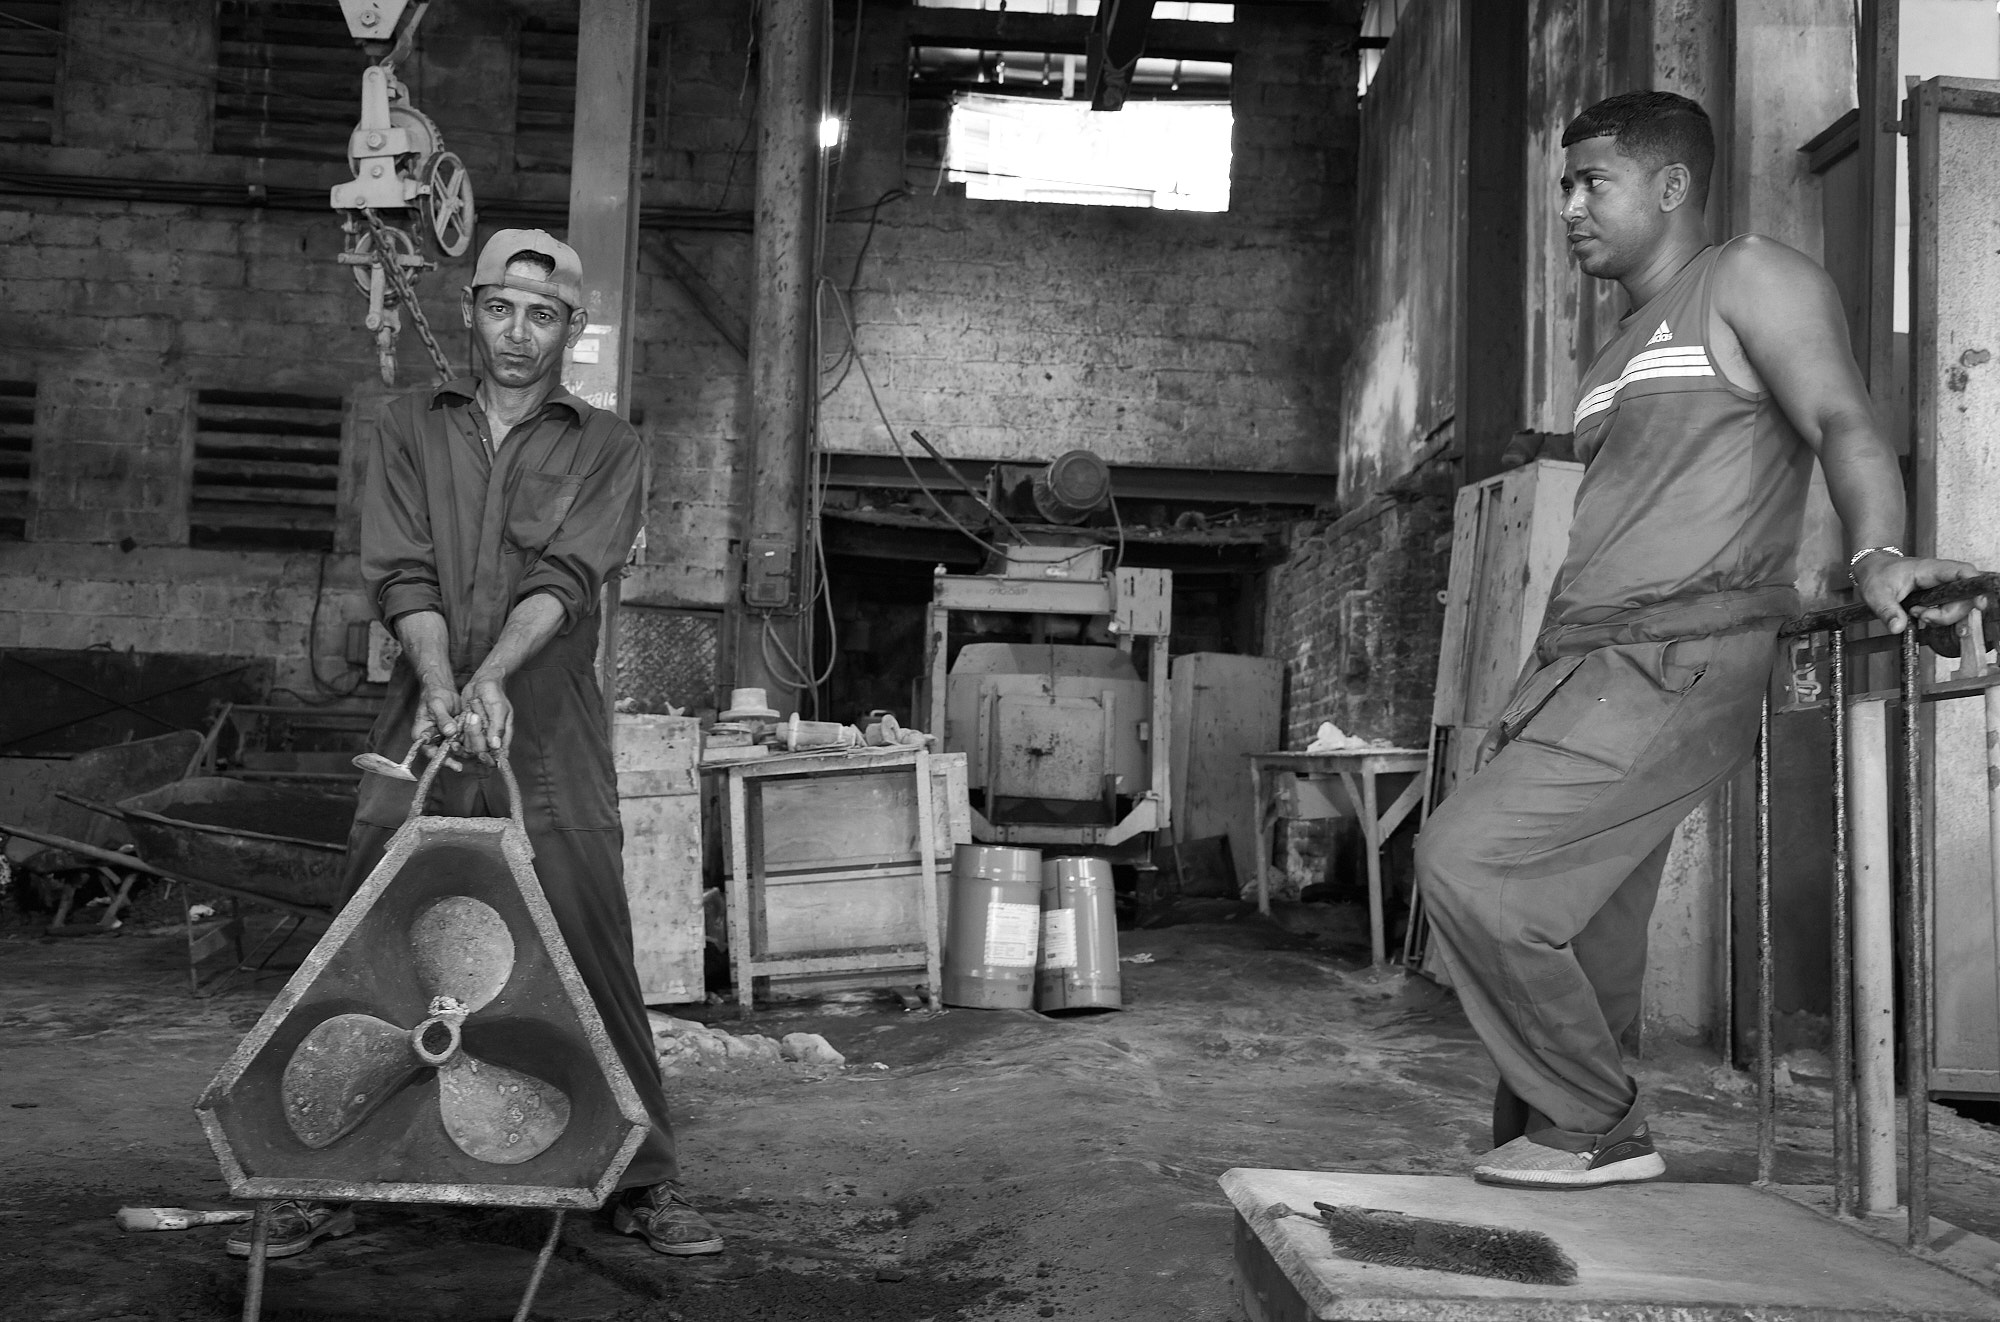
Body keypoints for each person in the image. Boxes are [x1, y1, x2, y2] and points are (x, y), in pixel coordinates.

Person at [1415, 92, 1984, 1189]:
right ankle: (1562, 1165)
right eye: (1564, 185)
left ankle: (1596, 1122)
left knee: (1466, 862)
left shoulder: (1746, 277)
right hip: (1581, 664)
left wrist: (1876, 553)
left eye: (1594, 182)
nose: (1570, 207)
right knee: (1583, 927)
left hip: (1675, 657)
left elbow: (1841, 419)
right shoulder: (1611, 354)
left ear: (1671, 185)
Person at [228, 229, 723, 1258]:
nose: (518, 332)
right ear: (472, 310)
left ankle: (640, 1177)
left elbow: (569, 575)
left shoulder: (609, 446)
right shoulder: (407, 426)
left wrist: (491, 676)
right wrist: (443, 681)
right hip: (422, 708)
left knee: (586, 928)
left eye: (543, 315)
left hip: (548, 722)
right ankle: (325, 1172)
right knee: (369, 927)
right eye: (501, 308)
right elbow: (399, 568)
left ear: (571, 328)